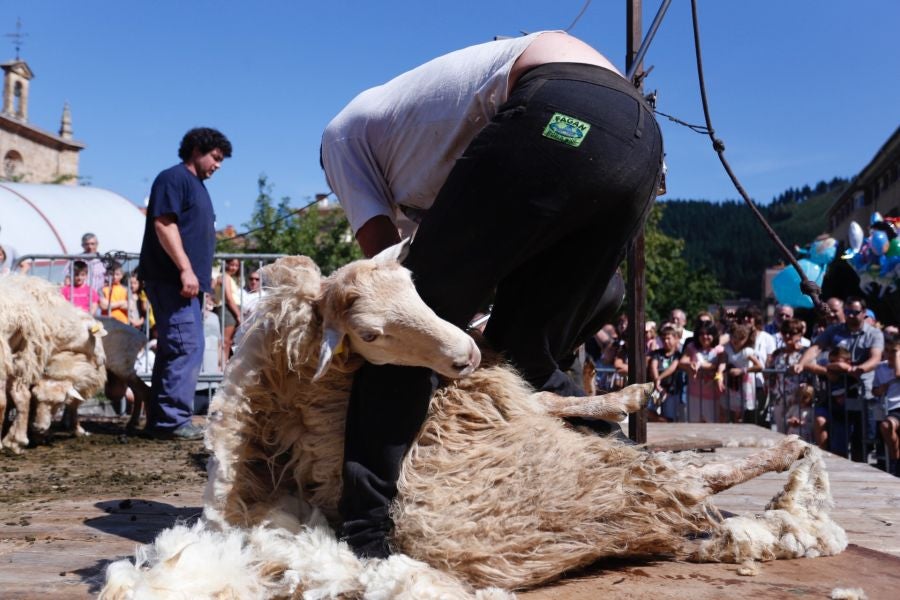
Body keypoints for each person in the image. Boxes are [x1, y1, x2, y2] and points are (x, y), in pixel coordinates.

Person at [320, 31, 663, 558]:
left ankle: (363, 536)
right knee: (528, 354)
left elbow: (387, 276)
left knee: (402, 341)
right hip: (639, 139)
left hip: (561, 108)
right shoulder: (423, 140)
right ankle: (655, 495)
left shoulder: (341, 141)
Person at [138, 127, 232, 441]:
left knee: (176, 348)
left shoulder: (195, 186)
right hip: (173, 280)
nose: (218, 165)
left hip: (186, 282)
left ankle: (163, 419)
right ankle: (171, 421)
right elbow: (164, 224)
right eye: (215, 157)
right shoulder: (174, 179)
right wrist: (185, 269)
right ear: (197, 150)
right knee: (184, 347)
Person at [794, 297, 883, 461]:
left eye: (855, 312)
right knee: (838, 440)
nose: (850, 316)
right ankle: (838, 472)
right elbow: (816, 348)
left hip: (863, 393)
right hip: (838, 395)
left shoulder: (874, 334)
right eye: (848, 312)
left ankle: (859, 474)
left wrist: (857, 369)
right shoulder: (834, 331)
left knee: (861, 441)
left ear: (863, 313)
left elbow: (875, 358)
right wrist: (801, 363)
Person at [716, 323, 763, 424]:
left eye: (741, 338)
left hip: (744, 385)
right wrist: (719, 377)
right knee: (727, 411)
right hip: (731, 384)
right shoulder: (728, 349)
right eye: (734, 337)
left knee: (740, 415)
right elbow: (722, 363)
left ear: (746, 339)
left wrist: (742, 370)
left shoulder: (747, 351)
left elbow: (759, 366)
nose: (736, 340)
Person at [679, 321, 723, 423]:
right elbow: (682, 362)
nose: (705, 337)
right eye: (702, 334)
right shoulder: (692, 347)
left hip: (712, 395)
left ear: (714, 335)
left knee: (712, 425)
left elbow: (719, 365)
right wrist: (691, 364)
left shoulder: (719, 349)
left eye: (708, 334)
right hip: (694, 394)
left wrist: (700, 365)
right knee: (694, 424)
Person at [873, 335, 900, 476]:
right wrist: (881, 389)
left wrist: (897, 358)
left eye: (894, 351)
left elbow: (898, 373)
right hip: (892, 407)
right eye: (888, 351)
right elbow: (875, 390)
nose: (890, 354)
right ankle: (896, 460)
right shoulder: (880, 367)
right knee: (886, 426)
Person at [648, 324, 684, 422]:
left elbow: (673, 367)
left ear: (676, 339)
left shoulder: (678, 355)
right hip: (656, 389)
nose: (666, 341)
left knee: (670, 417)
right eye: (663, 339)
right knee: (649, 412)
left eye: (668, 338)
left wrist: (659, 378)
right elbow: (653, 365)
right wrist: (656, 381)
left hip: (671, 391)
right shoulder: (657, 353)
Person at [212, 257, 242, 361]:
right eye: (232, 264)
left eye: (237, 265)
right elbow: (229, 298)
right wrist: (238, 314)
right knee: (225, 340)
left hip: (230, 309)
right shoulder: (224, 277)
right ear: (226, 264)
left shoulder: (226, 277)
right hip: (228, 310)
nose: (234, 268)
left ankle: (223, 364)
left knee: (228, 341)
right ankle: (221, 366)